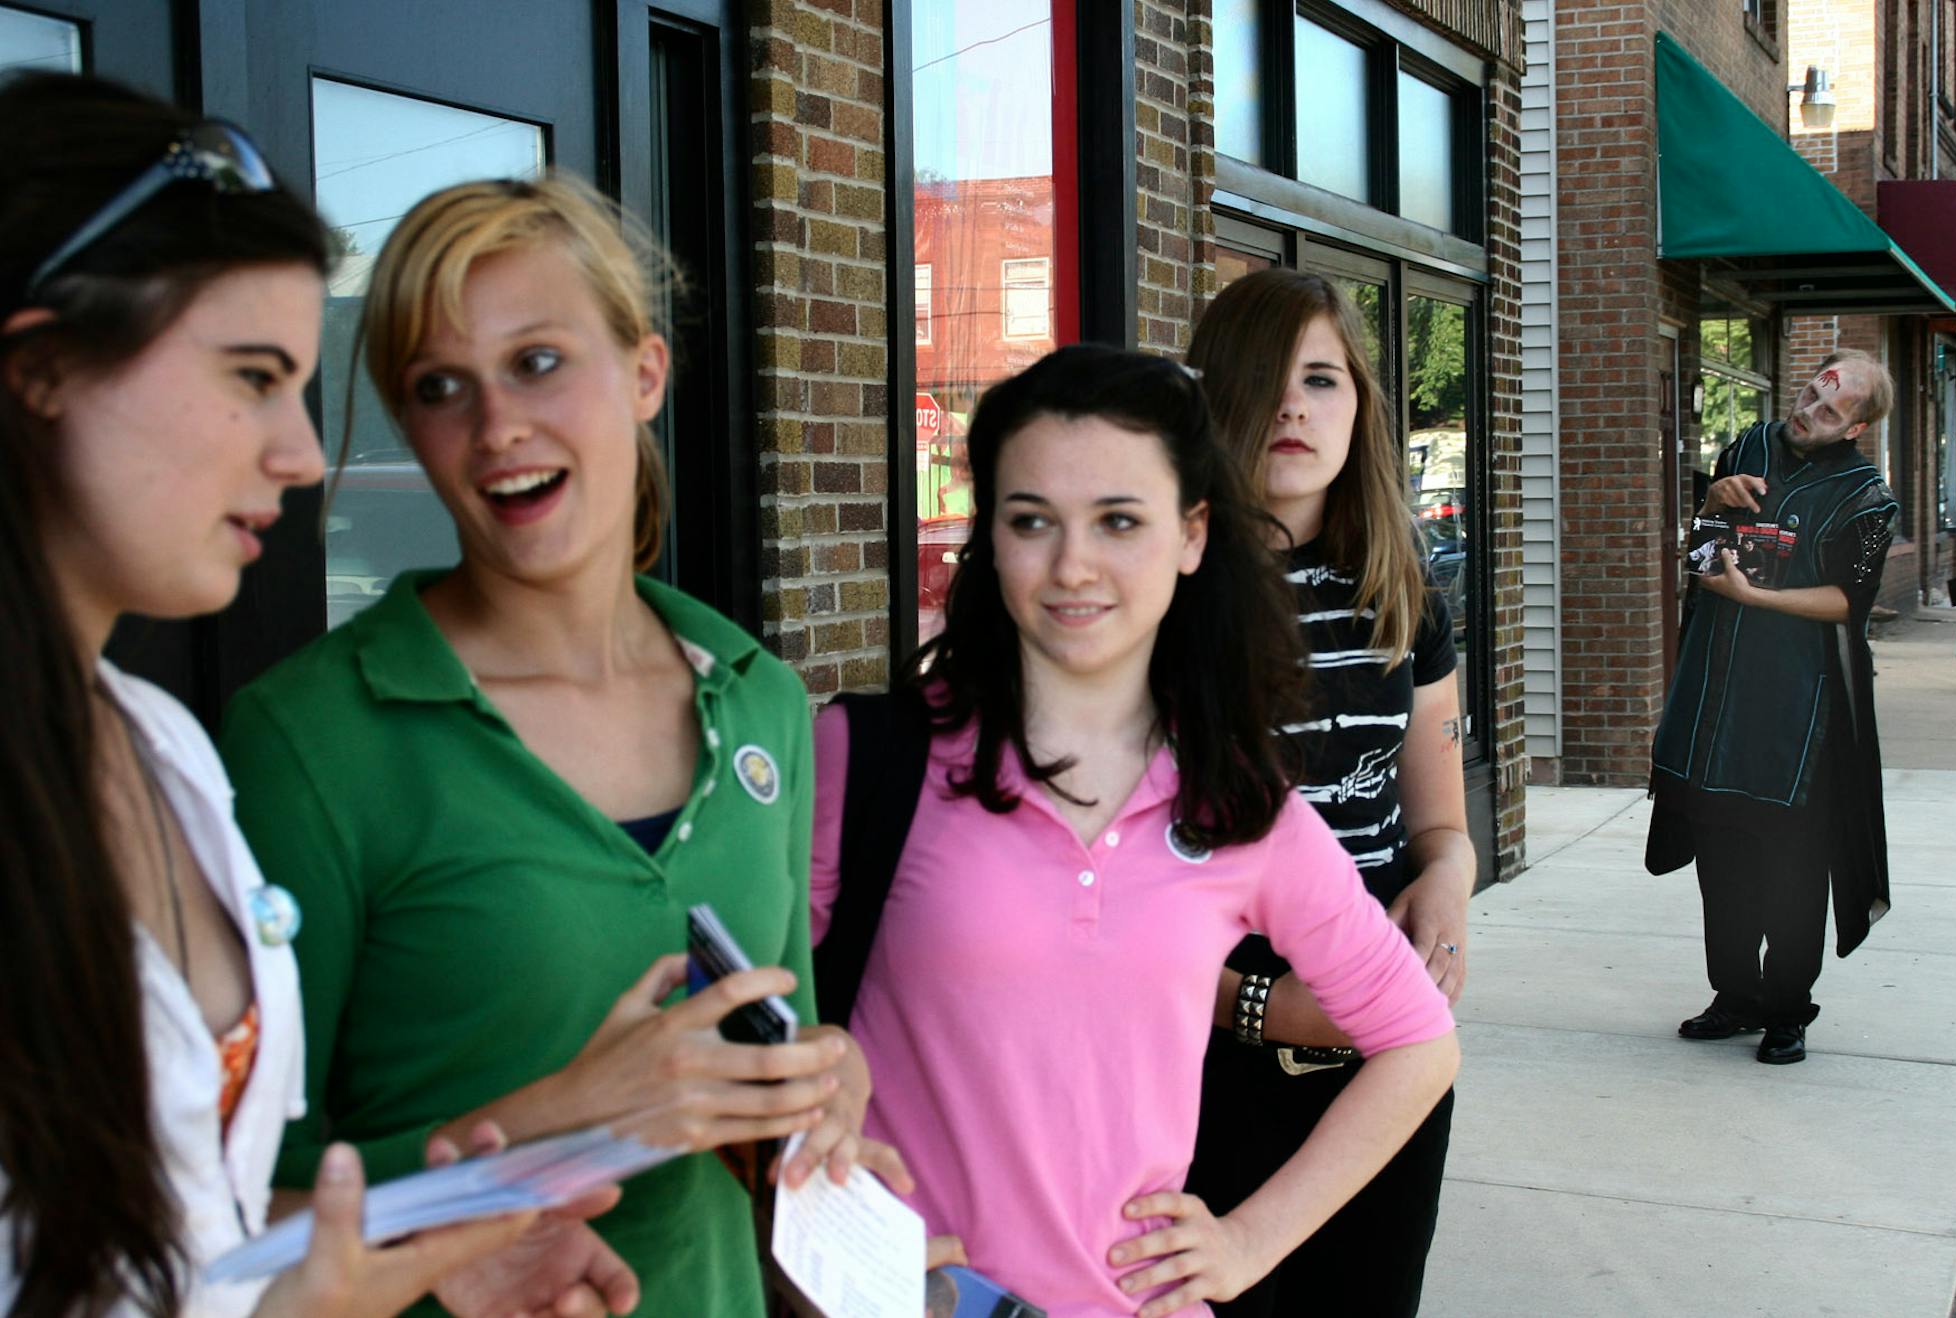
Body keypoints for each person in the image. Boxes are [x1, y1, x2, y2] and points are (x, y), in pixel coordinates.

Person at [0, 73, 631, 1317]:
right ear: (44, 372)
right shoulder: (294, 735)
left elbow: (179, 1235)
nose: (301, 454)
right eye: (250, 375)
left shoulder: (161, 747)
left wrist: (430, 1255)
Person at [218, 176, 893, 1317]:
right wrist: (568, 1121)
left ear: (644, 371)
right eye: (442, 389)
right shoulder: (310, 739)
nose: (497, 429)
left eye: (537, 361)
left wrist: (823, 1085)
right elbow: (237, 1219)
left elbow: (768, 1059)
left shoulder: (764, 700)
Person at [809, 345, 1460, 1318]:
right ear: (990, 534)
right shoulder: (871, 757)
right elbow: (735, 1022)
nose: (1073, 566)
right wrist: (821, 1226)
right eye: (1032, 521)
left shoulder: (1237, 804)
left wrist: (1246, 1240)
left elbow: (1418, 1037)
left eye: (1119, 520)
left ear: (1193, 534)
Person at [1178, 269, 1475, 1318]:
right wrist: (1260, 1006)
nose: (1296, 406)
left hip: (1383, 1057)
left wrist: (1447, 884)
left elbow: (1441, 822)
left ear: (1361, 405)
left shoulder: (1406, 587)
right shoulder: (1167, 602)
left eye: (1324, 379)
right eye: (1270, 381)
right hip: (1201, 1053)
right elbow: (1093, 889)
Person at [1647, 348, 1902, 1065]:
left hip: (1803, 714)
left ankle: (1788, 1008)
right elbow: (1701, 564)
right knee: (1720, 862)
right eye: (1808, 393)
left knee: (1793, 870)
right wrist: (1709, 506)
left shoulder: (1867, 498)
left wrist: (1760, 599)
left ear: (1855, 427)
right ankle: (1735, 997)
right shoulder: (1749, 446)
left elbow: (1849, 603)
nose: (1808, 411)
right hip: (1715, 700)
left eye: (1829, 409)